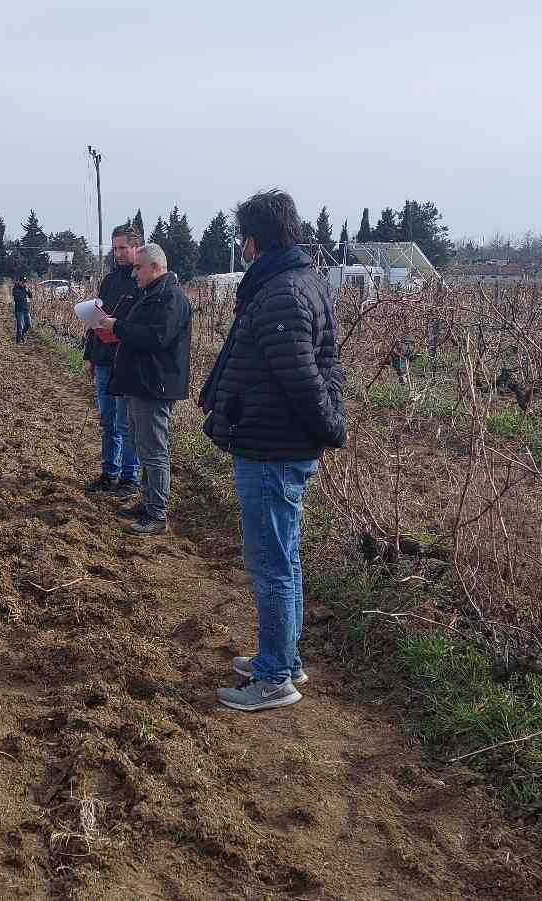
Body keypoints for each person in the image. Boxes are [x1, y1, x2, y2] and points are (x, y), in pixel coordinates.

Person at [199, 189, 347, 713]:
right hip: (276, 441)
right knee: (285, 558)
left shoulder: (282, 291)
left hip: (273, 447)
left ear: (255, 239)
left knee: (272, 565)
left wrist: (328, 427)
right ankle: (284, 654)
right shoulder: (298, 280)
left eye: (242, 237)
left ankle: (274, 678)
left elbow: (303, 378)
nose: (241, 246)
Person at [95, 243, 191, 536]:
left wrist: (118, 327)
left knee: (154, 451)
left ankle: (157, 514)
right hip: (141, 383)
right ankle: (147, 502)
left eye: (139, 267)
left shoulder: (170, 298)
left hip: (155, 386)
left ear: (156, 268)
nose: (134, 273)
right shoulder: (151, 295)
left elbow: (156, 338)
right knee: (142, 445)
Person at [81, 226, 142, 497]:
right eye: (114, 248)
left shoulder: (142, 281)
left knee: (126, 424)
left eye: (122, 248)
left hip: (127, 363)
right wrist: (89, 356)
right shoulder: (108, 281)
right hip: (104, 361)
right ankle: (109, 473)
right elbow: (96, 320)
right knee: (107, 421)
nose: (117, 253)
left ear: (136, 247)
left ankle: (130, 479)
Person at [11, 275, 34, 343]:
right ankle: (18, 342)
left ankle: (22, 335)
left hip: (26, 309)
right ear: (19, 282)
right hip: (19, 310)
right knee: (20, 327)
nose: (24, 283)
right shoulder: (15, 288)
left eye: (25, 282)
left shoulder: (25, 288)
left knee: (28, 324)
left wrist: (28, 290)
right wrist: (25, 299)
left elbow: (31, 296)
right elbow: (17, 298)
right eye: (23, 282)